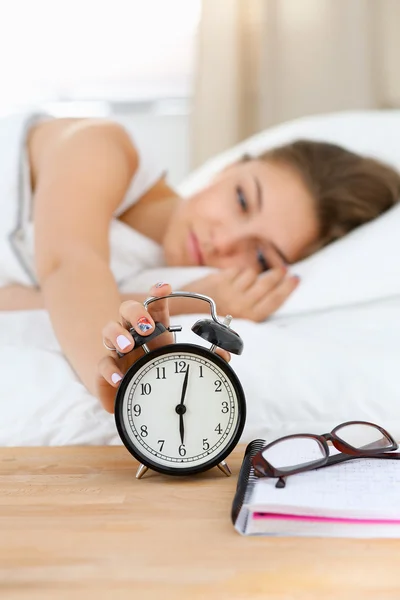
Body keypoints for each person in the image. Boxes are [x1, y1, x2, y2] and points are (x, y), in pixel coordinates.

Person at [0, 112, 399, 411]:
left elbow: (27, 299)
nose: (223, 241)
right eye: (242, 200)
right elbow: (69, 266)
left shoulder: (146, 270)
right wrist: (120, 377)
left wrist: (197, 301)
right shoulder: (102, 147)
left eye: (260, 254)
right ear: (230, 167)